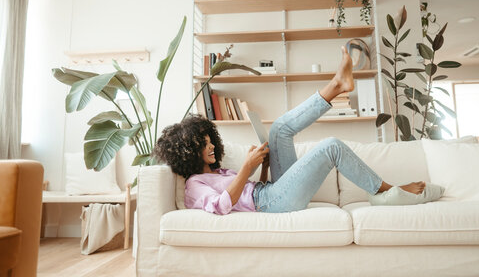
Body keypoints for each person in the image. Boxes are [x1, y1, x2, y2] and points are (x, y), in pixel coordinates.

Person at [154, 47, 426, 215]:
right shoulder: (194, 185)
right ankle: (389, 191)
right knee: (331, 145)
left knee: (280, 129)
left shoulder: (219, 171)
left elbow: (246, 195)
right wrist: (247, 168)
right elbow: (222, 206)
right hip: (272, 203)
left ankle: (337, 85)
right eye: (203, 144)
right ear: (188, 153)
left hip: (270, 192)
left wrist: (262, 166)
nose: (211, 146)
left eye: (208, 140)